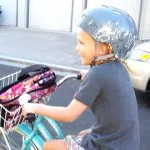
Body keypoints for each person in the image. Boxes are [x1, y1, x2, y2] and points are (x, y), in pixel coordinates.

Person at [22, 5, 140, 150]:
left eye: (82, 43)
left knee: (47, 146)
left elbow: (68, 115)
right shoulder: (117, 67)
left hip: (108, 146)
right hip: (123, 141)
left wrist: (34, 107)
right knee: (82, 133)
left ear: (103, 48)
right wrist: (88, 76)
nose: (76, 48)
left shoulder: (98, 74)